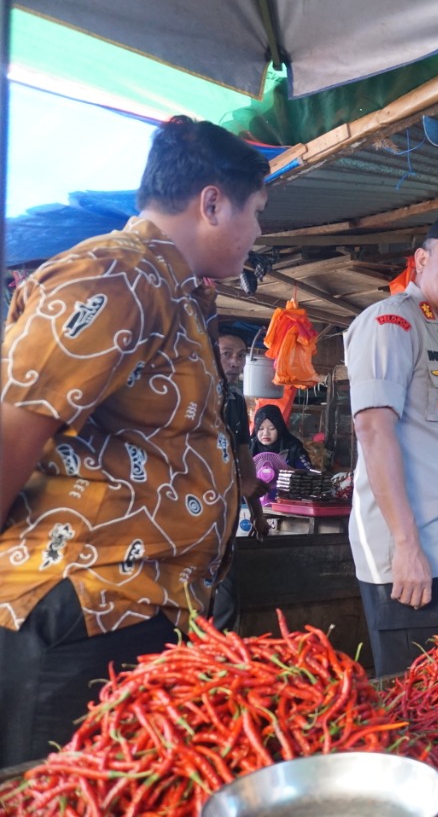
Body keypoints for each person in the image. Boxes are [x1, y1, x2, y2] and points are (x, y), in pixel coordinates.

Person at [0, 116, 268, 764]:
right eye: (256, 211)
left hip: (133, 611)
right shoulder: (118, 276)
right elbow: (14, 425)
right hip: (82, 610)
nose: (259, 232)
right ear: (211, 202)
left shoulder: (172, 291)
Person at [343, 208, 438, 677]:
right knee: (418, 706)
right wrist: (406, 546)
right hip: (412, 561)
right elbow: (373, 429)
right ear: (420, 261)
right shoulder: (393, 323)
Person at [211, 329, 270, 631]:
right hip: (191, 514)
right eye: (227, 354)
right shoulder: (199, 393)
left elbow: (244, 454)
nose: (235, 362)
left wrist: (258, 514)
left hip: (224, 517)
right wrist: (237, 485)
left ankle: (214, 665)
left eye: (240, 356)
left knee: (225, 595)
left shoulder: (234, 398)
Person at [251, 403, 312, 470]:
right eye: (261, 429)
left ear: (279, 428)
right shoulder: (249, 447)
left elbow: (308, 474)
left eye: (272, 428)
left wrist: (287, 469)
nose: (265, 433)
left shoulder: (293, 448)